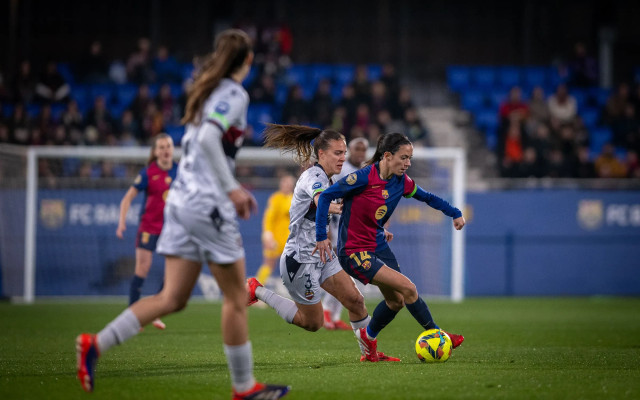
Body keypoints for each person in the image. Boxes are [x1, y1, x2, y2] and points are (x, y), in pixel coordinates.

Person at [76, 29, 290, 400]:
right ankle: (244, 388)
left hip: (180, 202)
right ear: (249, 60)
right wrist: (232, 188)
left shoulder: (205, 92)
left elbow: (201, 138)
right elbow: (209, 139)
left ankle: (95, 343)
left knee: (173, 298)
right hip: (207, 205)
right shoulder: (234, 94)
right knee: (236, 297)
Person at [246, 124, 399, 363]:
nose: (342, 157)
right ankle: (257, 290)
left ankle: (370, 355)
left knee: (356, 301)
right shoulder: (313, 177)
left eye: (344, 152)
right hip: (300, 260)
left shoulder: (331, 178)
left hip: (323, 255)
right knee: (313, 323)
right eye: (337, 152)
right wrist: (336, 206)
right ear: (321, 154)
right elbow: (321, 199)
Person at [313, 132, 466, 359]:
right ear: (387, 156)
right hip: (354, 251)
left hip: (378, 245)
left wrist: (454, 212)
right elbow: (325, 197)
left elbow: (428, 198)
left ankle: (368, 337)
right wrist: (321, 236)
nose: (408, 163)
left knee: (396, 301)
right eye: (403, 158)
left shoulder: (402, 182)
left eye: (409, 158)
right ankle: (438, 334)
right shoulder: (362, 177)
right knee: (409, 288)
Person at [116, 133, 177, 331]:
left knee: (173, 273)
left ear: (172, 149)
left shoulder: (180, 171)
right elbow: (127, 199)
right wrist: (122, 222)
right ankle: (133, 316)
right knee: (142, 268)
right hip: (149, 228)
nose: (165, 150)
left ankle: (155, 313)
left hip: (171, 230)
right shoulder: (148, 173)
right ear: (155, 152)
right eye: (161, 147)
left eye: (168, 146)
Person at [322, 137, 369, 330]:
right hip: (340, 228)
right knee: (342, 271)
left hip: (356, 228)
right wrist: (329, 232)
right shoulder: (342, 171)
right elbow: (330, 198)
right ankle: (326, 311)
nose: (359, 153)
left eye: (362, 150)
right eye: (356, 150)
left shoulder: (364, 171)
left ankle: (333, 315)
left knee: (349, 272)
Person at [254, 173, 296, 286]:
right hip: (276, 239)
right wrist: (267, 234)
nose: (287, 185)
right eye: (285, 183)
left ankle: (298, 294)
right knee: (268, 264)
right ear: (281, 184)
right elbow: (269, 218)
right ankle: (254, 292)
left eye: (289, 183)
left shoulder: (294, 198)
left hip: (290, 240)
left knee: (295, 267)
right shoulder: (276, 198)